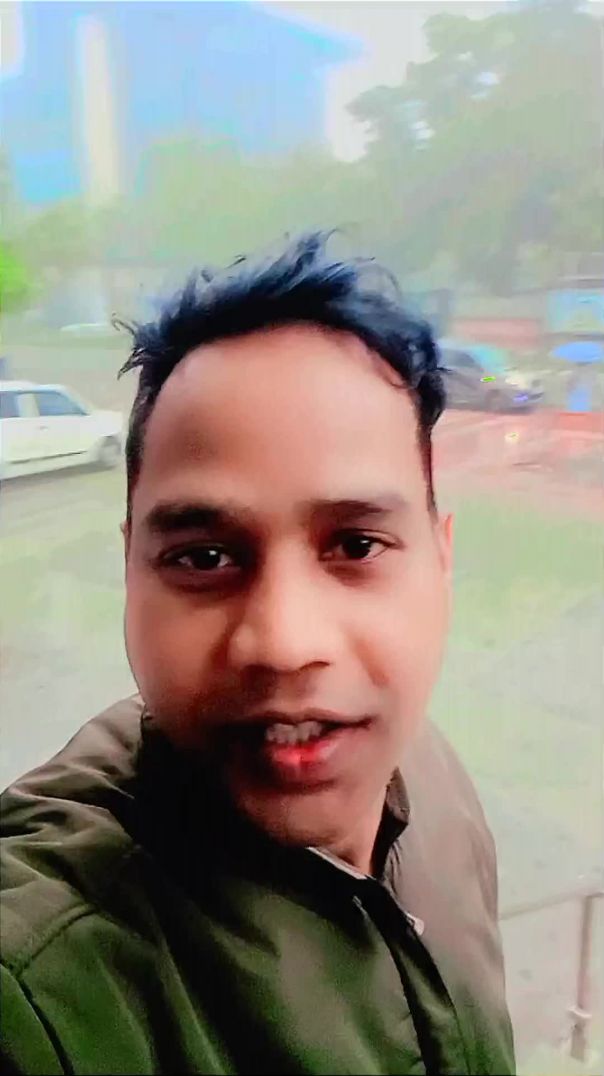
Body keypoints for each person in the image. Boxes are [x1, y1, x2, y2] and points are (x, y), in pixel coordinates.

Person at [0, 233, 515, 1075]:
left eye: (356, 545)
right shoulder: (38, 986)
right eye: (205, 557)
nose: (283, 644)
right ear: (131, 571)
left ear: (441, 559)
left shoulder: (435, 778)